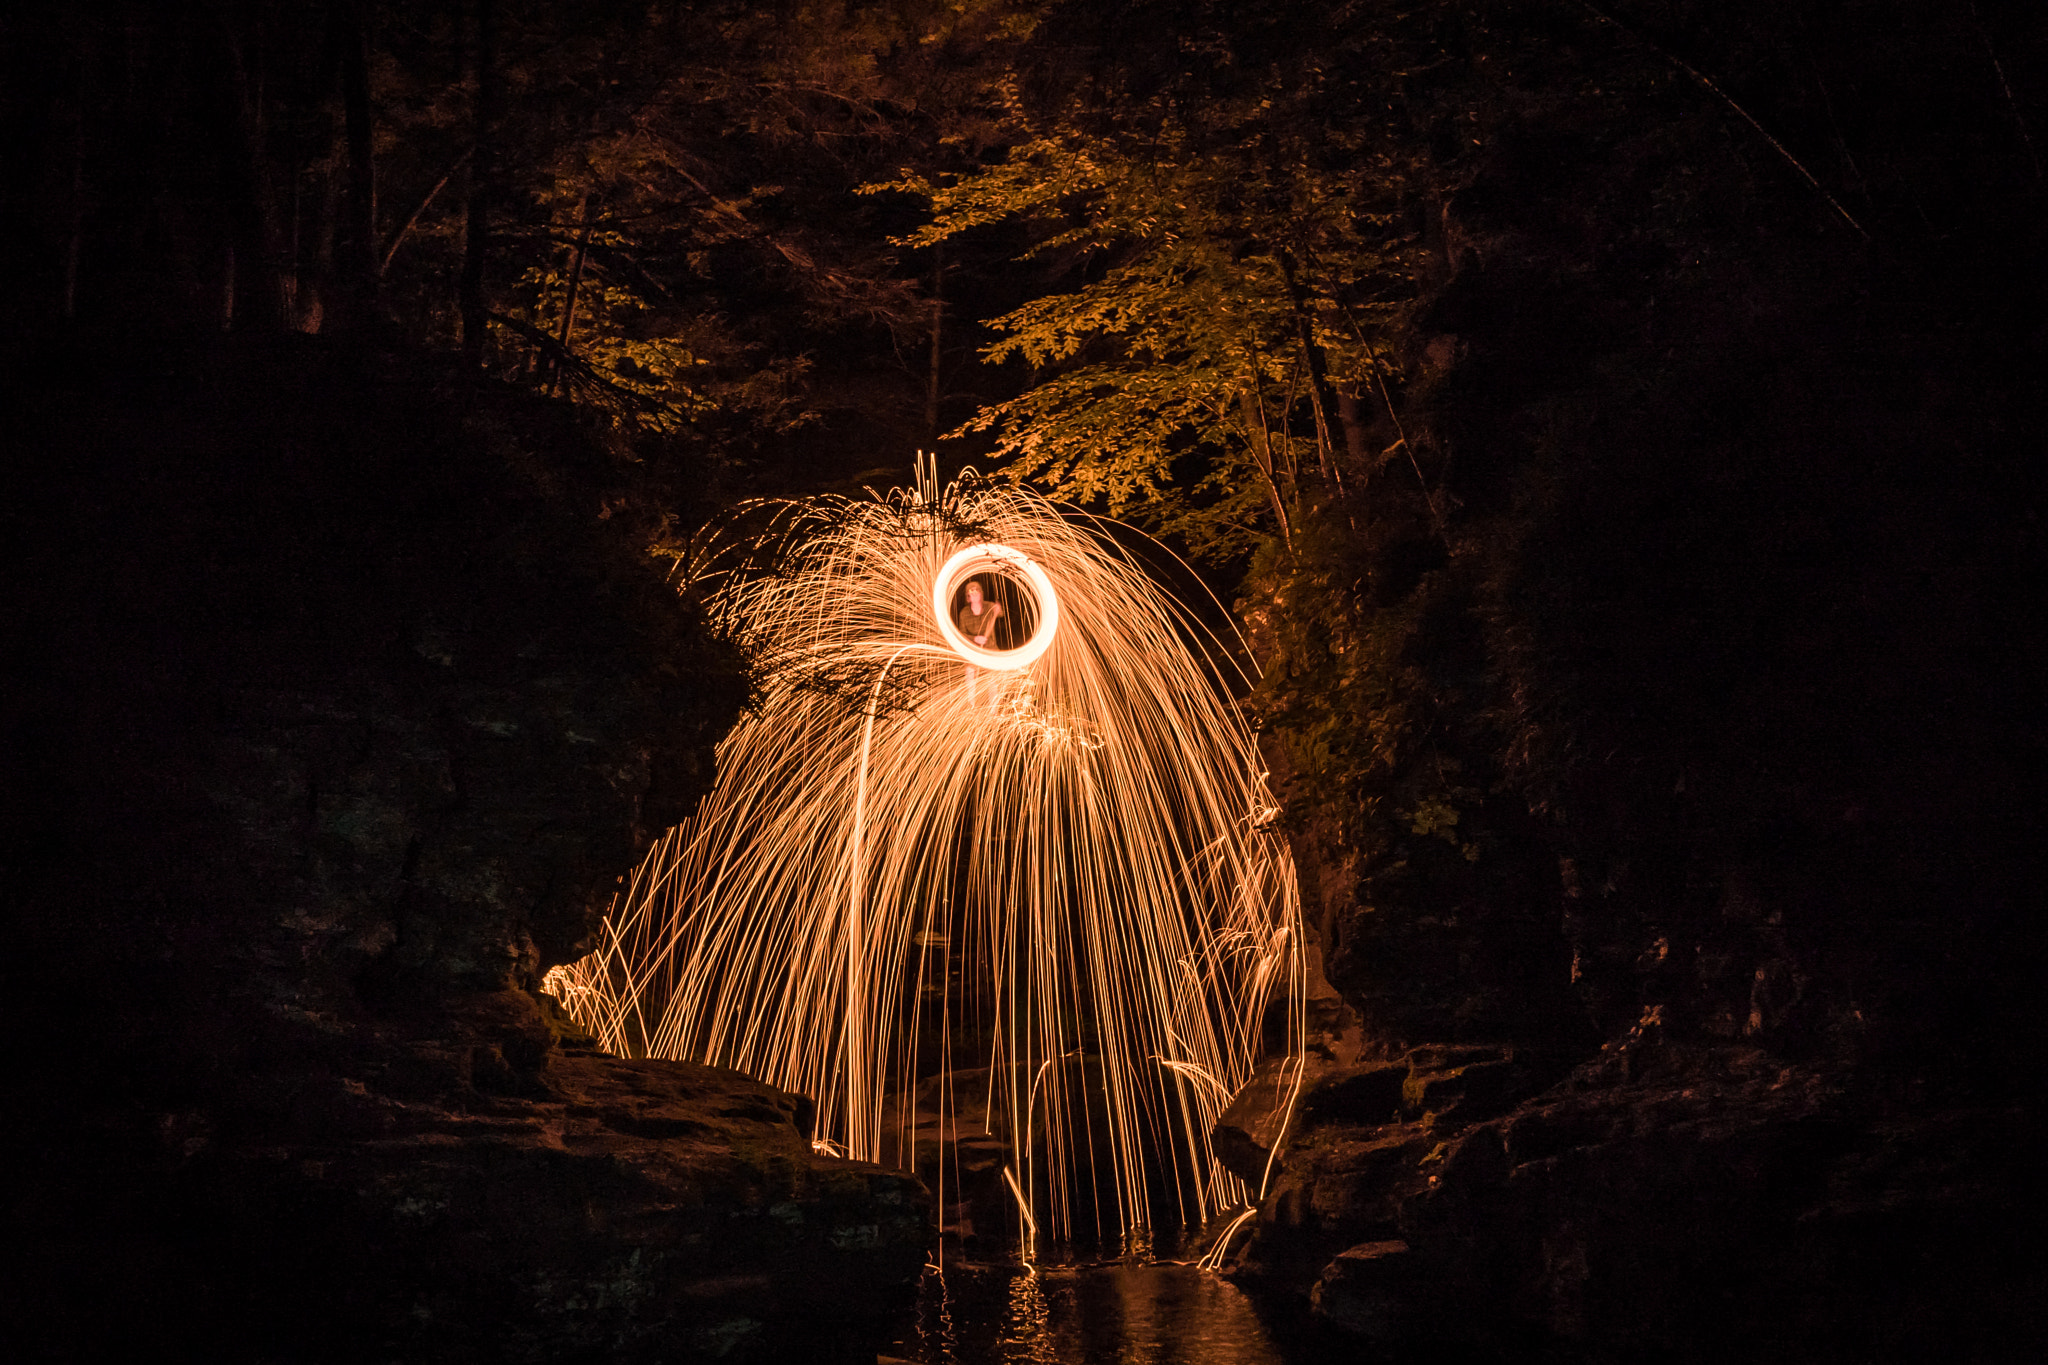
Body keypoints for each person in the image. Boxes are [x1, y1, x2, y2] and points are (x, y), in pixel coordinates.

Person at [956, 578, 1004, 708]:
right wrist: (975, 639)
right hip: (973, 652)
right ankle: (971, 708)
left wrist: (998, 609)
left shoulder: (989, 607)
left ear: (981, 593)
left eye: (977, 590)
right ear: (968, 596)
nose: (975, 592)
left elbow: (1000, 614)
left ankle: (993, 711)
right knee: (970, 679)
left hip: (990, 651)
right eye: (972, 591)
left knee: (992, 681)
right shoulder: (964, 613)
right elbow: (962, 634)